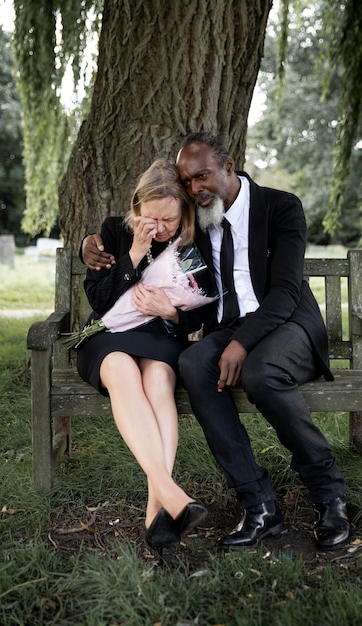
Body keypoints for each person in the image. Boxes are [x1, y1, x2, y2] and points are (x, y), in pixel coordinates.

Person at [82, 134, 351, 552]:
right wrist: (90, 246)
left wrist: (241, 344)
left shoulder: (280, 207)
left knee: (263, 373)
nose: (195, 188)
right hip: (229, 327)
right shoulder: (200, 216)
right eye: (188, 181)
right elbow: (146, 238)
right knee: (193, 364)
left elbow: (283, 292)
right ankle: (259, 505)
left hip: (287, 320)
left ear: (229, 167)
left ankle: (329, 494)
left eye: (202, 176)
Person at [76, 159, 208, 556]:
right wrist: (133, 254)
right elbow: (100, 302)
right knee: (119, 368)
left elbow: (204, 310)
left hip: (160, 337)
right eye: (151, 219)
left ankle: (158, 508)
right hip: (107, 336)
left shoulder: (192, 243)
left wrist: (171, 313)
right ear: (136, 208)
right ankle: (170, 495)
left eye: (168, 219)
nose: (160, 229)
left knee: (157, 381)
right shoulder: (115, 232)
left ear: (184, 210)